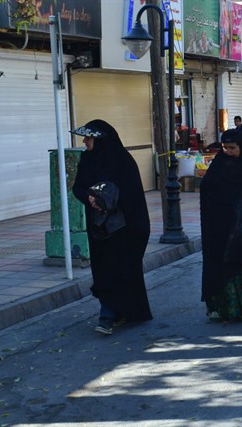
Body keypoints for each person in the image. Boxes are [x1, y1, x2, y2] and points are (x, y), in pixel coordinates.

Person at [71, 120, 152, 335]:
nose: (85, 141)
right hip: (98, 228)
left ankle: (107, 316)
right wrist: (89, 198)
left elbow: (132, 195)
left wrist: (109, 201)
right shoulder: (87, 159)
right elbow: (78, 187)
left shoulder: (122, 161)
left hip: (122, 227)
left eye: (89, 138)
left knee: (118, 268)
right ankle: (114, 311)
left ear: (101, 140)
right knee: (102, 268)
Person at [200, 128, 242, 322]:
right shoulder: (218, 165)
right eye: (225, 147)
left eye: (232, 148)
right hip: (223, 229)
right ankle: (227, 310)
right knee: (225, 266)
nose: (228, 152)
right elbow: (207, 189)